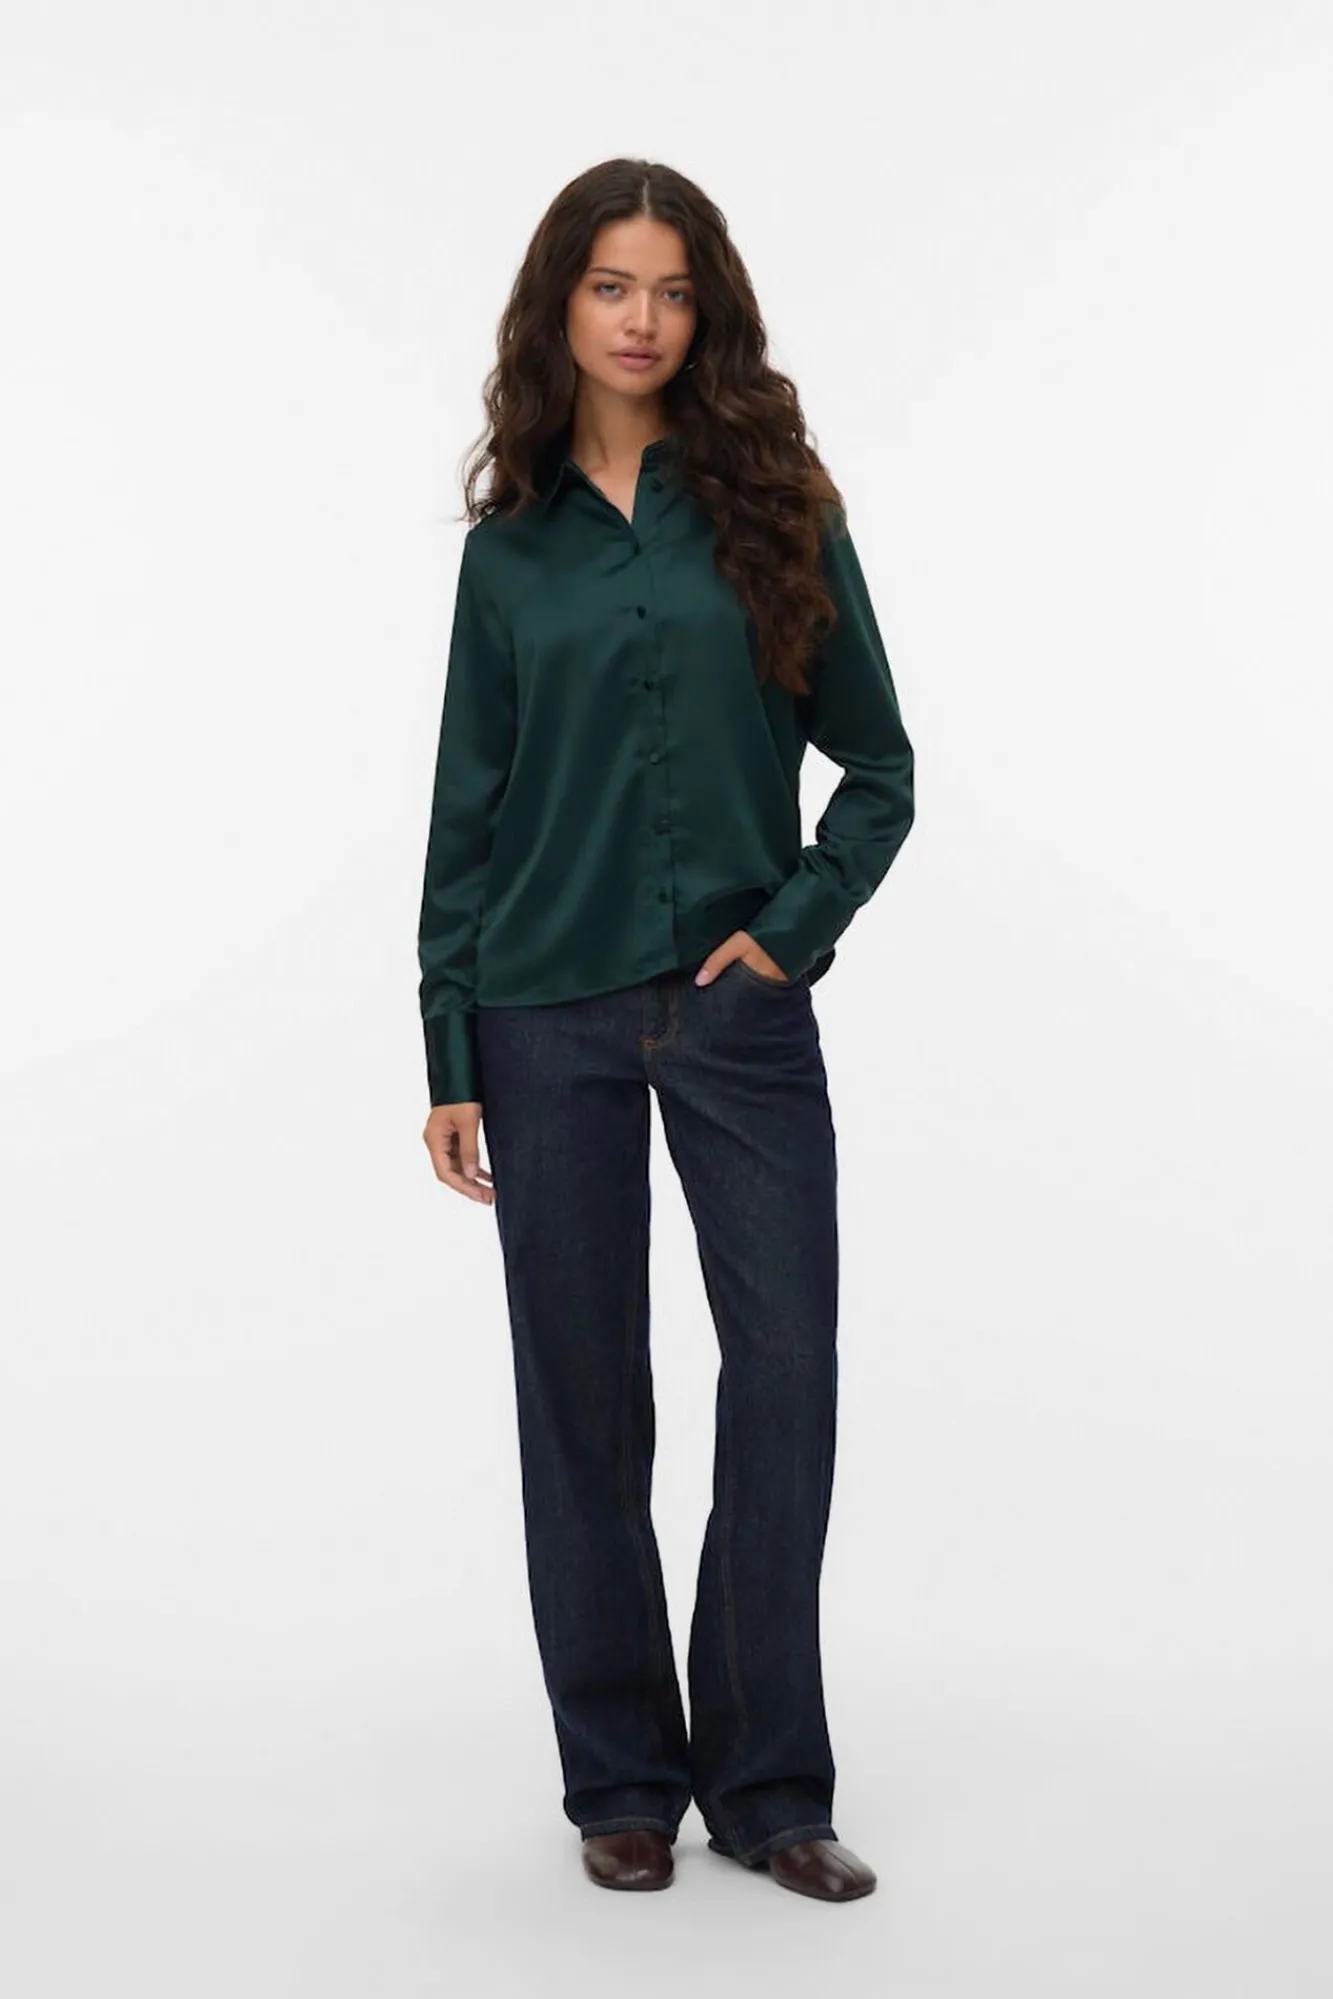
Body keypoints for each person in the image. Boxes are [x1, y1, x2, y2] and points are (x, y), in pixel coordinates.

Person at [416, 158, 915, 1902]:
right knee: (581, 1396)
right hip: (541, 1012)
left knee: (785, 1377)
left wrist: (787, 939)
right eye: (613, 285)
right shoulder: (509, 556)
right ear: (560, 304)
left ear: (711, 313)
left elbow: (882, 767)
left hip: (736, 1017)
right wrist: (450, 1048)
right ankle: (621, 1775)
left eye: (675, 289)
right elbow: (465, 817)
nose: (643, 319)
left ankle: (770, 1782)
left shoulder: (778, 511)